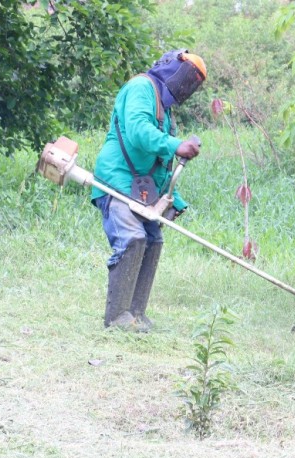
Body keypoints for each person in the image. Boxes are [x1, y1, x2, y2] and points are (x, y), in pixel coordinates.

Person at [92, 49, 207, 332]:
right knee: (132, 239)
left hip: (141, 188)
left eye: (195, 83)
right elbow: (138, 130)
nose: (187, 86)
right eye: (188, 77)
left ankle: (135, 313)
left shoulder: (164, 110)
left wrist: (173, 201)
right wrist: (175, 144)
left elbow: (162, 166)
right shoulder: (141, 87)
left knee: (153, 241)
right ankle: (117, 317)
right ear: (169, 66)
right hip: (117, 181)